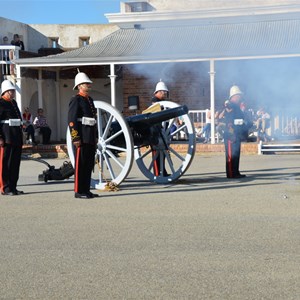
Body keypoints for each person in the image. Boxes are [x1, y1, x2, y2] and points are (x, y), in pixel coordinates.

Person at [68, 72, 99, 199]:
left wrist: (95, 136)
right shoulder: (76, 100)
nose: (89, 84)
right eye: (86, 83)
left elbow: (94, 120)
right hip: (81, 136)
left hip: (90, 136)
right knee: (81, 165)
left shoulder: (89, 100)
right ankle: (79, 191)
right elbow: (72, 120)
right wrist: (75, 137)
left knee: (88, 165)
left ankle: (86, 190)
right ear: (80, 86)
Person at [0, 79, 24, 195]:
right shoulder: (1, 103)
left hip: (16, 137)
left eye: (13, 91)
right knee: (6, 163)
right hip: (6, 137)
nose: (12, 93)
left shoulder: (14, 103)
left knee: (15, 164)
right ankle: (5, 187)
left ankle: (13, 186)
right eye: (10, 91)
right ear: (4, 92)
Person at [223, 85, 246, 179]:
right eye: (239, 95)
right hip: (230, 133)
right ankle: (231, 173)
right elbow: (229, 121)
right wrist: (231, 133)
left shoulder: (237, 106)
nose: (240, 97)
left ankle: (236, 172)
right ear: (234, 96)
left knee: (236, 154)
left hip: (236, 132)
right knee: (231, 155)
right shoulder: (230, 105)